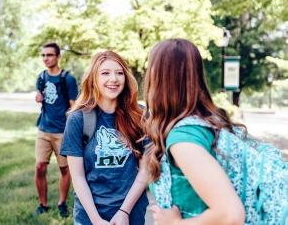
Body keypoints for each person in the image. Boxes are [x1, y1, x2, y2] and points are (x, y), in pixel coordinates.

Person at [143, 38, 245, 225]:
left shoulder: (184, 139)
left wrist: (173, 223)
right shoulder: (206, 123)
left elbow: (230, 214)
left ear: (158, 78)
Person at [60, 51, 149, 225]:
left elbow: (145, 170)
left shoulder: (140, 116)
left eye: (119, 73)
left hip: (131, 213)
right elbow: (77, 177)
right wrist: (96, 220)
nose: (114, 79)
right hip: (90, 215)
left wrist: (124, 212)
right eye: (105, 73)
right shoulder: (78, 118)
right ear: (93, 78)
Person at [34, 42, 78, 217]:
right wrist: (38, 96)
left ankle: (61, 203)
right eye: (43, 55)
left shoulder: (68, 79)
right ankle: (43, 204)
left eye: (50, 55)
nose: (46, 58)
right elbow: (40, 95)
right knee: (39, 167)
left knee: (64, 169)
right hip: (44, 130)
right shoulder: (41, 77)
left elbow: (74, 107)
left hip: (62, 132)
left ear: (58, 56)